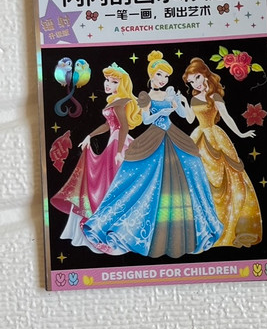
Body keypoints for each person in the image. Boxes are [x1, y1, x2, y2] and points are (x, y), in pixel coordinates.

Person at [83, 51, 222, 257]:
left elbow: (182, 115)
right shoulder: (145, 96)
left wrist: (180, 101)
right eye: (159, 74)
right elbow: (146, 119)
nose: (163, 79)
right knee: (145, 179)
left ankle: (188, 227)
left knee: (191, 165)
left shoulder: (170, 93)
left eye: (166, 76)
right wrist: (162, 112)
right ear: (151, 75)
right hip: (154, 136)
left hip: (173, 134)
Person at [50, 63, 142, 250]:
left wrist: (119, 152)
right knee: (106, 183)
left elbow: (123, 127)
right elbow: (108, 125)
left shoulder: (121, 102)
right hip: (114, 141)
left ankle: (115, 230)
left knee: (111, 184)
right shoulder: (114, 101)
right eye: (107, 80)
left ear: (122, 83)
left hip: (119, 143)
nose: (108, 84)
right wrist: (89, 136)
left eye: (114, 81)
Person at [182, 57, 262, 247]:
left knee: (228, 178)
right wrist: (183, 103)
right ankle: (205, 227)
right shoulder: (194, 99)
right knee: (200, 179)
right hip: (199, 138)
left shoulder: (215, 97)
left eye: (197, 77)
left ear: (205, 74)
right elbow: (190, 119)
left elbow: (226, 117)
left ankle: (228, 222)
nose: (196, 84)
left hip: (215, 138)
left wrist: (240, 134)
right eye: (191, 81)